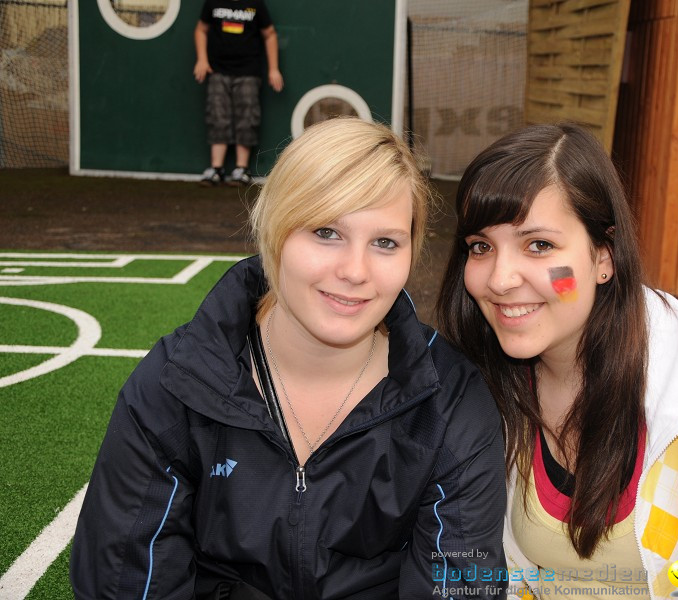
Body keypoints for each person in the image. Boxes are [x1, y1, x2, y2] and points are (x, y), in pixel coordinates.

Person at [70, 118, 506, 599]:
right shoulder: (175, 384)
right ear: (275, 231)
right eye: (326, 232)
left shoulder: (450, 401)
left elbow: (461, 585)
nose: (355, 271)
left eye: (385, 242)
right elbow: (126, 580)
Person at [437, 123, 678, 599]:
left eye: (539, 245)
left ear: (603, 256)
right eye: (481, 246)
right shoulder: (482, 379)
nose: (499, 279)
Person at [193, 0, 284, 186]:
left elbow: (270, 35)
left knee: (247, 117)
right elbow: (201, 30)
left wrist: (274, 69)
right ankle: (216, 169)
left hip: (249, 72)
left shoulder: (256, 4)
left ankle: (241, 169)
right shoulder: (212, 2)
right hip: (217, 70)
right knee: (217, 115)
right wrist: (202, 60)